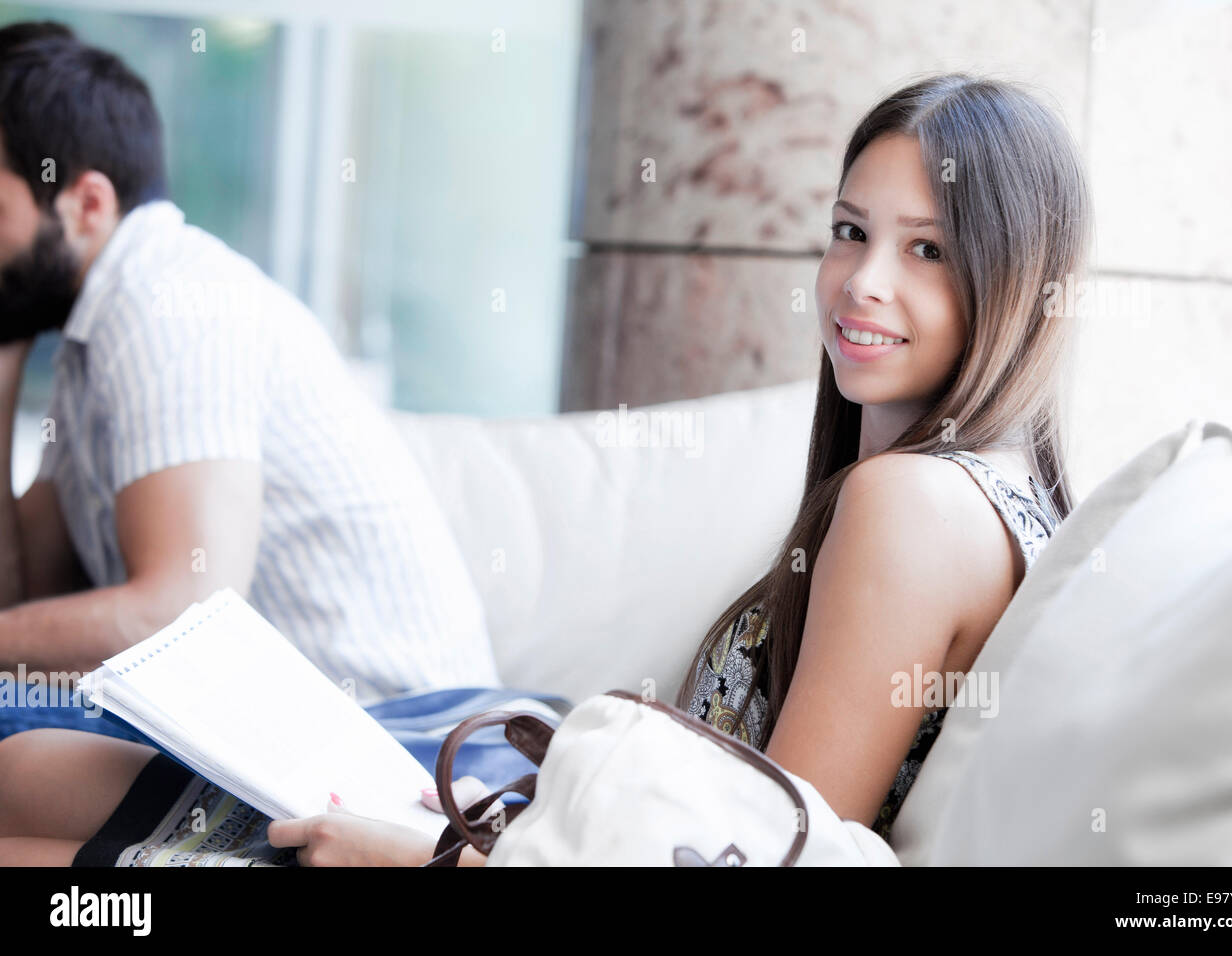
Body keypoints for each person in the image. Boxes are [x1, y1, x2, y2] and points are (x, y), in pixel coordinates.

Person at [0, 71, 1090, 866]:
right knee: (26, 766)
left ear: (1013, 274)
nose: (860, 282)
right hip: (535, 795)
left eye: (926, 249)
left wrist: (432, 859)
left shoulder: (910, 505)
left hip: (513, 835)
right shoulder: (970, 490)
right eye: (850, 231)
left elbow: (756, 852)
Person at [0, 19, 500, 749]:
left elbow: (182, 614)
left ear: (87, 203)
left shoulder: (162, 302)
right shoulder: (90, 338)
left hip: (404, 741)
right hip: (289, 727)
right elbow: (32, 603)